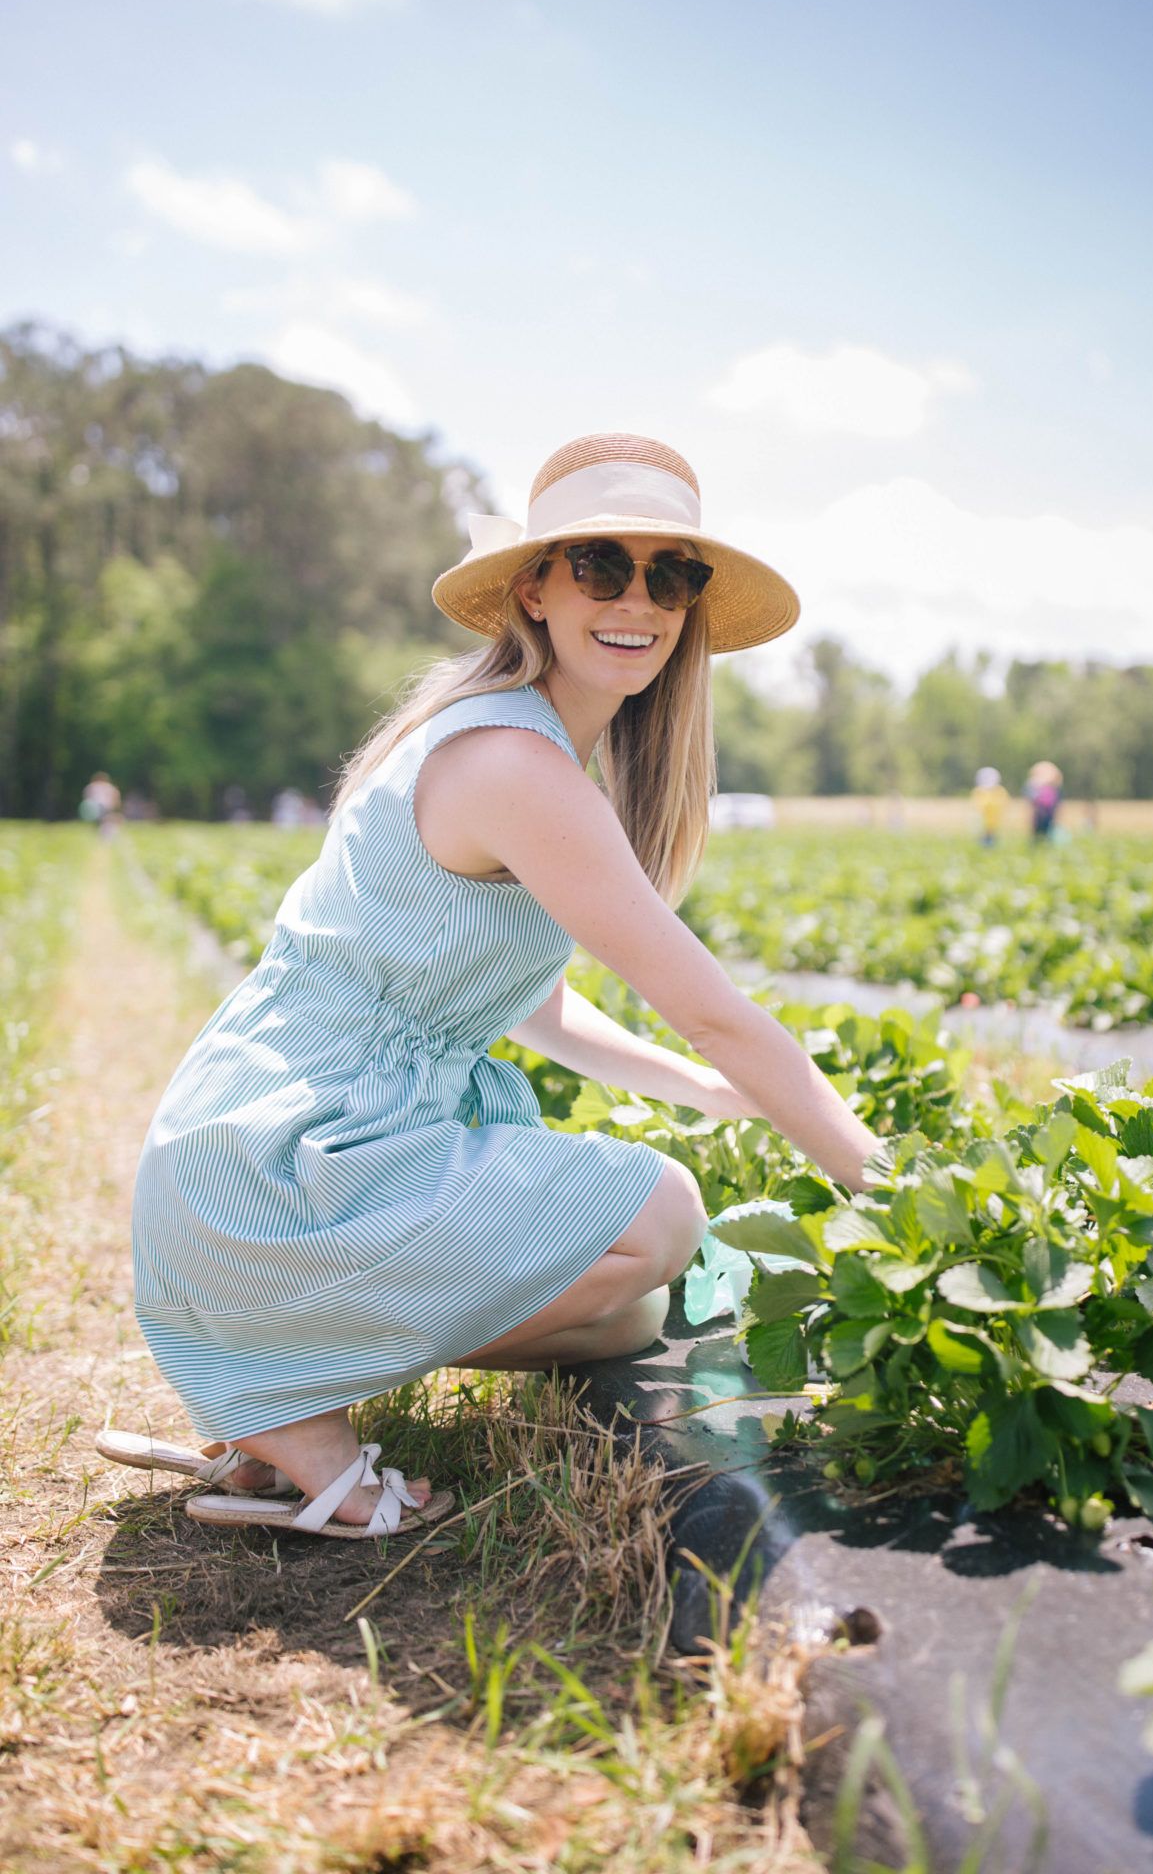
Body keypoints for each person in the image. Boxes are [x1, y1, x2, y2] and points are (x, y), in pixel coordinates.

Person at [101, 433, 884, 1543]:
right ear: (535, 587)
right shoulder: (515, 764)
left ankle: (271, 1378)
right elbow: (711, 1005)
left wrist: (710, 1093)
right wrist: (882, 1178)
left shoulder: (521, 747)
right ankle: (294, 1405)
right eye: (602, 565)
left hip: (275, 1162)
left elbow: (534, 1005)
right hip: (276, 1167)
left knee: (628, 1313)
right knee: (663, 1215)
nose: (640, 601)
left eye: (672, 574)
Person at [1024, 760, 1063, 841]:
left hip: (1048, 814)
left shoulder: (1053, 789)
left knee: (1047, 830)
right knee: (1038, 831)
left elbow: (1057, 802)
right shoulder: (1034, 787)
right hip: (1039, 814)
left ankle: (1043, 843)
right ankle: (1039, 843)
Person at [970, 767, 1008, 846]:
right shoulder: (979, 791)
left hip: (994, 822)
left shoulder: (1000, 791)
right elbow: (976, 806)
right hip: (982, 822)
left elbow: (1003, 805)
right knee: (983, 841)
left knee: (993, 840)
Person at [79, 770, 122, 838]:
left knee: (102, 820)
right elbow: (115, 795)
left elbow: (86, 797)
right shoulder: (108, 786)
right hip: (102, 806)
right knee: (105, 820)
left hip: (96, 806)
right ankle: (105, 833)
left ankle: (103, 833)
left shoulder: (91, 786)